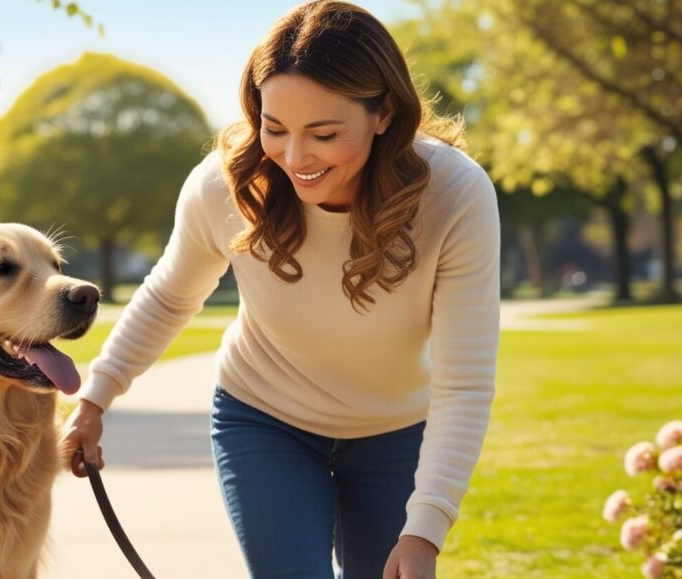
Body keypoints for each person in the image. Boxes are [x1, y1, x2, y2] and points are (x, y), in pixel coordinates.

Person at [60, 1, 500, 578]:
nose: (295, 157)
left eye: (323, 133)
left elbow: (465, 382)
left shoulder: (455, 195)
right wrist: (94, 401)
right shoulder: (225, 185)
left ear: (384, 113)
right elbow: (170, 296)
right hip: (265, 420)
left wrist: (425, 530)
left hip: (395, 434)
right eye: (275, 128)